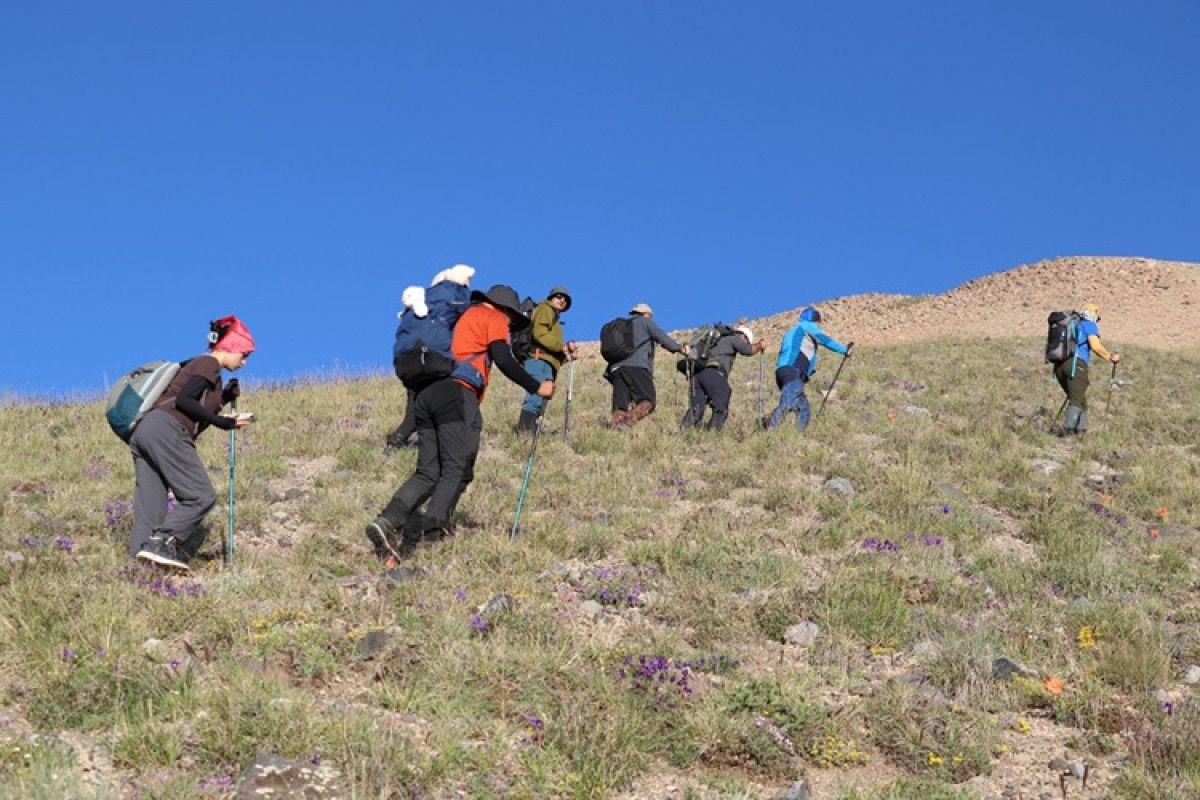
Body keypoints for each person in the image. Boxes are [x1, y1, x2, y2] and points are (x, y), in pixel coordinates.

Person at [366, 284, 554, 560]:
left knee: (428, 471)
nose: (512, 324)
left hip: (425, 394)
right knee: (457, 466)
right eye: (513, 318)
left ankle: (387, 521)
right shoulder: (493, 318)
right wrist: (536, 387)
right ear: (506, 310)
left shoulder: (458, 317)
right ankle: (434, 533)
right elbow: (504, 358)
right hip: (457, 394)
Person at [132, 317, 256, 570]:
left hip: (145, 432)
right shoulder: (208, 363)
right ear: (231, 346)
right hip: (166, 430)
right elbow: (185, 402)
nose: (244, 362)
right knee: (201, 495)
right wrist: (223, 423)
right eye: (243, 354)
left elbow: (193, 409)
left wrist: (222, 398)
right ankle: (162, 542)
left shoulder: (202, 370)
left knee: (151, 509)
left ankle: (140, 571)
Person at [766, 307, 852, 430]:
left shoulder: (792, 331)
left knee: (803, 407)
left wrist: (806, 374)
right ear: (813, 320)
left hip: (783, 372)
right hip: (793, 370)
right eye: (817, 322)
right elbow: (824, 340)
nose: (818, 325)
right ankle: (770, 429)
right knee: (787, 402)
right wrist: (845, 350)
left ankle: (798, 438)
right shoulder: (807, 326)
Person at [605, 303, 685, 428]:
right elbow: (662, 338)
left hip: (616, 369)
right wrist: (680, 349)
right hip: (637, 367)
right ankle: (627, 422)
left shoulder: (622, 326)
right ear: (646, 314)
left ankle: (615, 431)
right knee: (648, 401)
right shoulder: (644, 322)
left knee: (620, 406)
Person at [680, 325, 767, 431]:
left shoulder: (718, 340)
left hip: (696, 375)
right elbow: (747, 350)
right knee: (721, 404)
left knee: (696, 408)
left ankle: (684, 432)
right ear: (743, 336)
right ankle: (713, 434)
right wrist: (759, 345)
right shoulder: (735, 338)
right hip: (713, 373)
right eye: (747, 341)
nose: (746, 343)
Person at [516, 287, 578, 432]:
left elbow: (552, 349)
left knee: (541, 400)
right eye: (558, 296)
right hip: (538, 361)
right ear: (550, 298)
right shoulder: (545, 309)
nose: (562, 300)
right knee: (536, 397)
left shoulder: (554, 318)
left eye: (565, 299)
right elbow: (540, 334)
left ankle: (530, 432)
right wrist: (562, 346)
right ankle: (524, 432)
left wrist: (566, 355)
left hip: (546, 363)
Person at [1053, 302, 1119, 437]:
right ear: (1093, 315)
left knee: (1079, 399)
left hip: (1059, 366)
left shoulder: (1071, 324)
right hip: (1075, 365)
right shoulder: (1089, 324)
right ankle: (1067, 430)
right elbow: (1095, 346)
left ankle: (1081, 431)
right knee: (1077, 400)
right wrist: (1110, 356)